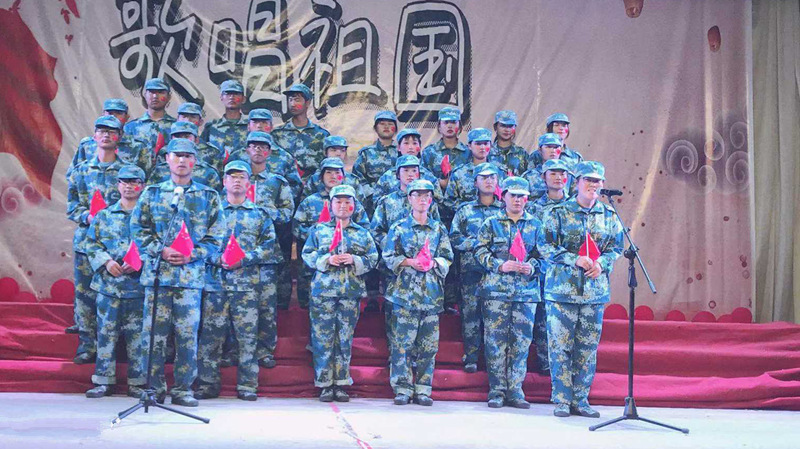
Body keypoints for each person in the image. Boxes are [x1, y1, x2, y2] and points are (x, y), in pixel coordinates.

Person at [130, 138, 226, 407]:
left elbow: (216, 236)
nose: (182, 160)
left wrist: (192, 254)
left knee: (186, 337)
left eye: (187, 156)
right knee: (153, 336)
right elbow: (137, 228)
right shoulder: (152, 193)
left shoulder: (208, 196)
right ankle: (153, 388)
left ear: (195, 161)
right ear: (167, 159)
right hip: (158, 276)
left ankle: (183, 389)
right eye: (177, 155)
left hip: (189, 279)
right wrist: (159, 250)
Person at [537, 161, 623, 418]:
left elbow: (616, 248)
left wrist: (602, 263)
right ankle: (562, 400)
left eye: (597, 181)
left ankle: (581, 400)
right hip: (562, 291)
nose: (593, 185)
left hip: (594, 292)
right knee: (560, 346)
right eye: (588, 180)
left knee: (586, 349)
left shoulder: (609, 215)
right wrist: (572, 258)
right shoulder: (558, 212)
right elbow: (544, 245)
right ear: (577, 183)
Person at [196, 161, 281, 401]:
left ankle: (247, 385)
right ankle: (207, 384)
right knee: (211, 337)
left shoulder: (259, 214)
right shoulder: (211, 213)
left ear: (248, 183)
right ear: (224, 182)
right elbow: (198, 243)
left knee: (247, 338)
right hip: (215, 284)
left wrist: (243, 260)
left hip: (246, 285)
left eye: (241, 177)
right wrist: (217, 259)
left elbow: (268, 247)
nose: (236, 181)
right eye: (231, 177)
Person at [302, 184, 378, 402]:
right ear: (331, 205)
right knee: (322, 339)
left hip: (350, 292)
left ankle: (342, 383)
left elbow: (373, 258)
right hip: (323, 292)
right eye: (338, 201)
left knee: (344, 339)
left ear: (354, 205)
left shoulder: (362, 233)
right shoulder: (319, 230)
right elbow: (307, 254)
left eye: (347, 202)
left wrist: (355, 260)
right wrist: (327, 260)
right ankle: (325, 384)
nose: (343, 206)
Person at [382, 179, 453, 407]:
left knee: (428, 347)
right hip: (404, 294)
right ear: (409, 199)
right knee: (402, 345)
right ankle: (402, 388)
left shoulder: (438, 228)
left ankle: (423, 388)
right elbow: (388, 257)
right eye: (417, 195)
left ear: (431, 200)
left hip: (431, 295)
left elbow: (447, 257)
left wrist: (434, 263)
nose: (422, 200)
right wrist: (409, 262)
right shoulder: (399, 227)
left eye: (426, 196)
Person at [475, 176, 542, 409]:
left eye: (522, 196)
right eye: (513, 195)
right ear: (503, 196)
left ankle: (515, 390)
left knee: (521, 343)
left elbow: (545, 255)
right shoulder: (491, 223)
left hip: (526, 293)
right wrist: (499, 265)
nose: (517, 200)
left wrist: (532, 267)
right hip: (496, 292)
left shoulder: (536, 225)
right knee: (495, 342)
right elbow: (479, 251)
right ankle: (497, 390)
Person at [66, 115, 129, 364]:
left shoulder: (127, 173)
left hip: (116, 246)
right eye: (101, 131)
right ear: (94, 136)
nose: (106, 135)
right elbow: (72, 206)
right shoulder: (81, 170)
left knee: (116, 296)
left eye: (112, 131)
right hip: (86, 242)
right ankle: (87, 345)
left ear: (119, 137)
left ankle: (117, 347)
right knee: (85, 295)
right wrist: (87, 216)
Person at [83, 164, 147, 398]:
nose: (129, 186)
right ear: (118, 185)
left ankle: (138, 382)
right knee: (106, 333)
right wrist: (106, 262)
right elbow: (91, 243)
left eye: (134, 182)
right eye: (124, 182)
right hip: (109, 286)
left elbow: (157, 244)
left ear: (143, 186)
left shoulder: (149, 217)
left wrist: (140, 261)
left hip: (138, 287)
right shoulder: (104, 215)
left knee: (138, 336)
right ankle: (103, 381)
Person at [241, 131, 294, 364]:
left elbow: (287, 213)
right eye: (254, 146)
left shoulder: (277, 182)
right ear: (247, 150)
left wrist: (265, 211)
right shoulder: (236, 177)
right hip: (239, 254)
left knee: (266, 306)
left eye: (263, 147)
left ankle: (264, 351)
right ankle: (236, 350)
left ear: (270, 152)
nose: (258, 150)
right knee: (237, 304)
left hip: (267, 254)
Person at [293, 158, 370, 309]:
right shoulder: (310, 201)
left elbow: (364, 227)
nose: (333, 176)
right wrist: (320, 236)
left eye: (337, 172)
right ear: (321, 177)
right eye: (328, 172)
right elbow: (297, 227)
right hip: (317, 267)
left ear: (344, 176)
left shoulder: (353, 203)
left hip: (347, 268)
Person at [448, 163, 503, 373]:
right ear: (475, 182)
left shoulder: (504, 209)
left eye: (492, 177)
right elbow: (454, 238)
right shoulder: (465, 210)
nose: (489, 181)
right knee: (470, 314)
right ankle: (471, 356)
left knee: (495, 318)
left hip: (498, 273)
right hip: (472, 271)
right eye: (484, 178)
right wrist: (477, 245)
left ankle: (493, 360)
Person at [527, 158, 572, 375]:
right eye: (553, 173)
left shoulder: (575, 206)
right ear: (543, 177)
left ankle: (565, 367)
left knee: (566, 321)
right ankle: (545, 363)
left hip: (568, 273)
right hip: (542, 271)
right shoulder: (533, 207)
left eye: (562, 174)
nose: (558, 177)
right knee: (542, 320)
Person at [227, 108, 303, 199]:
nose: (259, 126)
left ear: (271, 127)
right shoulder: (236, 156)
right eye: (255, 122)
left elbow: (295, 187)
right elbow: (227, 184)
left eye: (264, 122)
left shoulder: (285, 157)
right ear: (248, 126)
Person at [69, 99, 151, 178]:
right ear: (103, 114)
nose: (113, 117)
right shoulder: (87, 145)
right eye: (110, 113)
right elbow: (73, 174)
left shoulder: (138, 147)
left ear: (127, 117)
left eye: (118, 113)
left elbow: (147, 177)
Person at [420, 106, 470, 223]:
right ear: (439, 126)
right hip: (435, 210)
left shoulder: (468, 152)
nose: (450, 126)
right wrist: (439, 182)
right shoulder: (429, 152)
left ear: (460, 126)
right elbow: (422, 177)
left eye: (453, 122)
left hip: (461, 210)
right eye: (446, 122)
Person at [272, 84, 330, 181]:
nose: (292, 104)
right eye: (290, 100)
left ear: (307, 103)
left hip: (312, 186)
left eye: (297, 100)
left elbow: (326, 166)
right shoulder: (277, 134)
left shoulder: (321, 135)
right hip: (285, 184)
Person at [372, 128, 443, 206]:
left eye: (414, 143)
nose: (411, 147)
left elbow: (439, 202)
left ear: (419, 147)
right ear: (399, 147)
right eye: (406, 143)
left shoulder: (428, 177)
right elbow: (377, 203)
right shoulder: (387, 177)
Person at [443, 128, 508, 212]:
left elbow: (508, 198)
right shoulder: (459, 173)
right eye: (478, 144)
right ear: (469, 146)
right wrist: (467, 210)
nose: (482, 147)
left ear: (491, 145)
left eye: (486, 143)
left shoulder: (500, 172)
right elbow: (448, 201)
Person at [149, 123, 222, 191]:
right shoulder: (160, 170)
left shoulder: (208, 173)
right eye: (177, 136)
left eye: (186, 136)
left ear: (196, 140)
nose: (182, 139)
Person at [352, 110, 399, 214]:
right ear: (375, 128)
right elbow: (357, 177)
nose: (386, 127)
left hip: (399, 203)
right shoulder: (366, 153)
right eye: (382, 124)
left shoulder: (402, 151)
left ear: (395, 128)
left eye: (390, 124)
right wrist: (372, 194)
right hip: (372, 206)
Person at [300, 135, 365, 201]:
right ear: (325, 152)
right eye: (333, 150)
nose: (338, 154)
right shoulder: (314, 179)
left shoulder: (352, 180)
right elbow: (305, 202)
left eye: (342, 151)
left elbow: (360, 203)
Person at [124, 77, 176, 149]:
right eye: (151, 92)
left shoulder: (176, 127)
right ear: (145, 95)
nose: (155, 96)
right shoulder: (131, 127)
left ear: (169, 97)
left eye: (160, 92)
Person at [201, 79, 249, 155]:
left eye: (236, 93)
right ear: (221, 97)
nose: (232, 97)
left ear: (243, 99)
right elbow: (201, 151)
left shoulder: (250, 126)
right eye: (227, 93)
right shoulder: (211, 126)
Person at [522, 133, 571, 200]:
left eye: (556, 147)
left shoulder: (569, 176)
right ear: (540, 150)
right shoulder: (529, 176)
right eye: (548, 147)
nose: (553, 151)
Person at [489, 110, 529, 176]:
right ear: (495, 127)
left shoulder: (522, 153)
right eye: (503, 126)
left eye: (510, 126)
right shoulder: (488, 153)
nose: (507, 130)